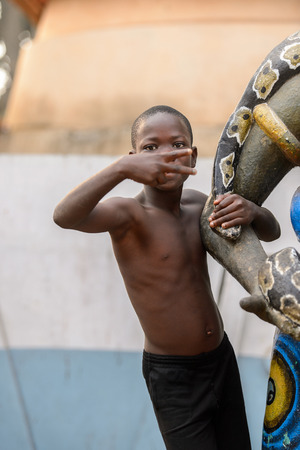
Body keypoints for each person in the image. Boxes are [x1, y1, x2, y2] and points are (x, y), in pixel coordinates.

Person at [53, 105, 280, 450]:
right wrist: (121, 169)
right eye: (149, 148)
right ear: (134, 159)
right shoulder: (129, 215)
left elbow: (270, 233)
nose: (164, 155)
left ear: (193, 155)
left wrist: (254, 211)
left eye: (177, 144)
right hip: (174, 377)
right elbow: (63, 216)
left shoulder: (198, 205)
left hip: (220, 357)